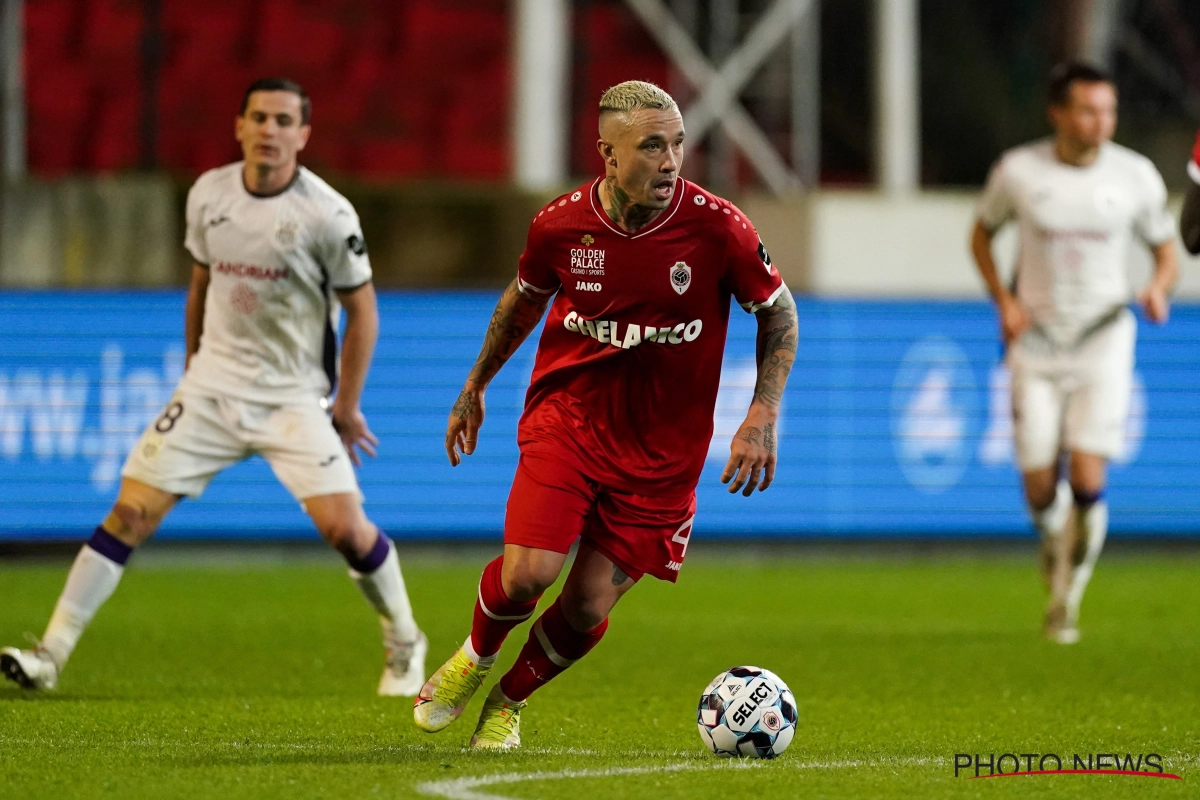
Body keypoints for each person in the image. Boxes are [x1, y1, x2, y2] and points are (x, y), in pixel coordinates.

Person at [1, 78, 426, 694]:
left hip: (291, 399)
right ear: (239, 126)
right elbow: (202, 284)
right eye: (259, 118)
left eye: (284, 121)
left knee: (347, 531)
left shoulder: (328, 216)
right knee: (128, 515)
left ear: (303, 136)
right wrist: (194, 367)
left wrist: (347, 405)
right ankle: (50, 655)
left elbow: (363, 310)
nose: (269, 131)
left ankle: (404, 639)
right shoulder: (209, 194)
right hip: (210, 392)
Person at [412, 80, 799, 749]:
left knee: (588, 604)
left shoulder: (719, 228)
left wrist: (763, 410)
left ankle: (508, 700)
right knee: (529, 574)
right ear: (608, 155)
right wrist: (476, 384)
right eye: (653, 145)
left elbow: (779, 312)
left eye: (679, 143)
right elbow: (523, 299)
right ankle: (474, 658)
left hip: (661, 456)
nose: (672, 161)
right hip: (571, 423)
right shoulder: (560, 225)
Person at [970, 63, 1177, 644]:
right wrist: (1004, 300)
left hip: (1104, 337)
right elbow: (981, 234)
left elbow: (1167, 251)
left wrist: (1158, 287)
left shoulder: (1135, 176)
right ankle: (1055, 540)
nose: (1101, 122)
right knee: (1039, 489)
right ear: (1058, 113)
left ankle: (1066, 598)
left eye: (1108, 110)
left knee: (1088, 476)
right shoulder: (1018, 171)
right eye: (1088, 110)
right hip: (1035, 342)